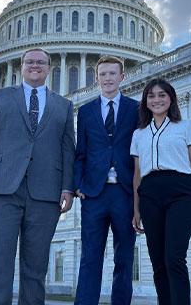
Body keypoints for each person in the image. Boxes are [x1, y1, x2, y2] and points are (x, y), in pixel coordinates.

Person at [0, 48, 75, 305]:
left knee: (36, 269)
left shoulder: (63, 106)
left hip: (45, 193)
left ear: (49, 68)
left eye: (41, 62)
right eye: (30, 61)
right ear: (21, 66)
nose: (35, 66)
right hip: (4, 189)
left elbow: (67, 150)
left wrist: (68, 187)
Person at [131, 78, 191, 305]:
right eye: (151, 96)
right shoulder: (139, 134)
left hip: (181, 191)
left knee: (174, 257)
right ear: (145, 102)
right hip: (149, 193)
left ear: (171, 98)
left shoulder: (187, 126)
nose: (156, 99)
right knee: (157, 261)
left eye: (162, 95)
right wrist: (136, 209)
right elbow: (137, 174)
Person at [74, 56, 139, 305]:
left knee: (123, 259)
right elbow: (81, 153)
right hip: (94, 194)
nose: (108, 78)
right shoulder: (86, 111)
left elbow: (140, 150)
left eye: (113, 74)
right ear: (97, 77)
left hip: (124, 193)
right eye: (103, 74)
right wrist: (79, 185)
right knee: (90, 257)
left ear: (122, 77)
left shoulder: (135, 109)